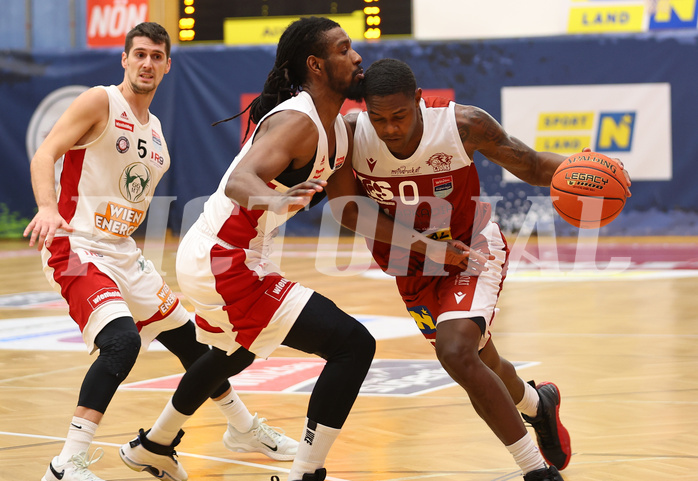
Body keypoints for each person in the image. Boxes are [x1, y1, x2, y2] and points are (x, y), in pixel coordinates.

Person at [118, 17, 475, 481]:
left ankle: (155, 445)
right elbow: (244, 179)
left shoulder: (340, 130)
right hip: (225, 257)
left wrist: (426, 245)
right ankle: (305, 472)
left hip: (231, 254)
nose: (357, 56)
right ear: (317, 65)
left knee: (237, 352)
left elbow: (354, 212)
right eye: (345, 49)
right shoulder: (298, 120)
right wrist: (275, 198)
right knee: (353, 345)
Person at [23, 22, 297, 481]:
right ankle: (66, 463)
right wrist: (48, 208)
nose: (147, 63)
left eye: (156, 56)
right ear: (125, 59)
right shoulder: (99, 101)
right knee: (122, 342)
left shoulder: (157, 132)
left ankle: (243, 428)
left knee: (196, 344)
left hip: (125, 253)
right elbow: (45, 153)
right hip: (77, 245)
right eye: (140, 54)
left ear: (168, 65)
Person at [343, 58, 633, 481]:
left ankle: (535, 471)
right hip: (410, 264)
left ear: (419, 101)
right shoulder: (351, 135)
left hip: (470, 251)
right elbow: (351, 211)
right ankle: (538, 404)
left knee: (456, 352)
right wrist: (425, 248)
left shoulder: (462, 125)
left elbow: (531, 165)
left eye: (399, 116)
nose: (389, 128)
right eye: (379, 118)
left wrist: (578, 167)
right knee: (482, 360)